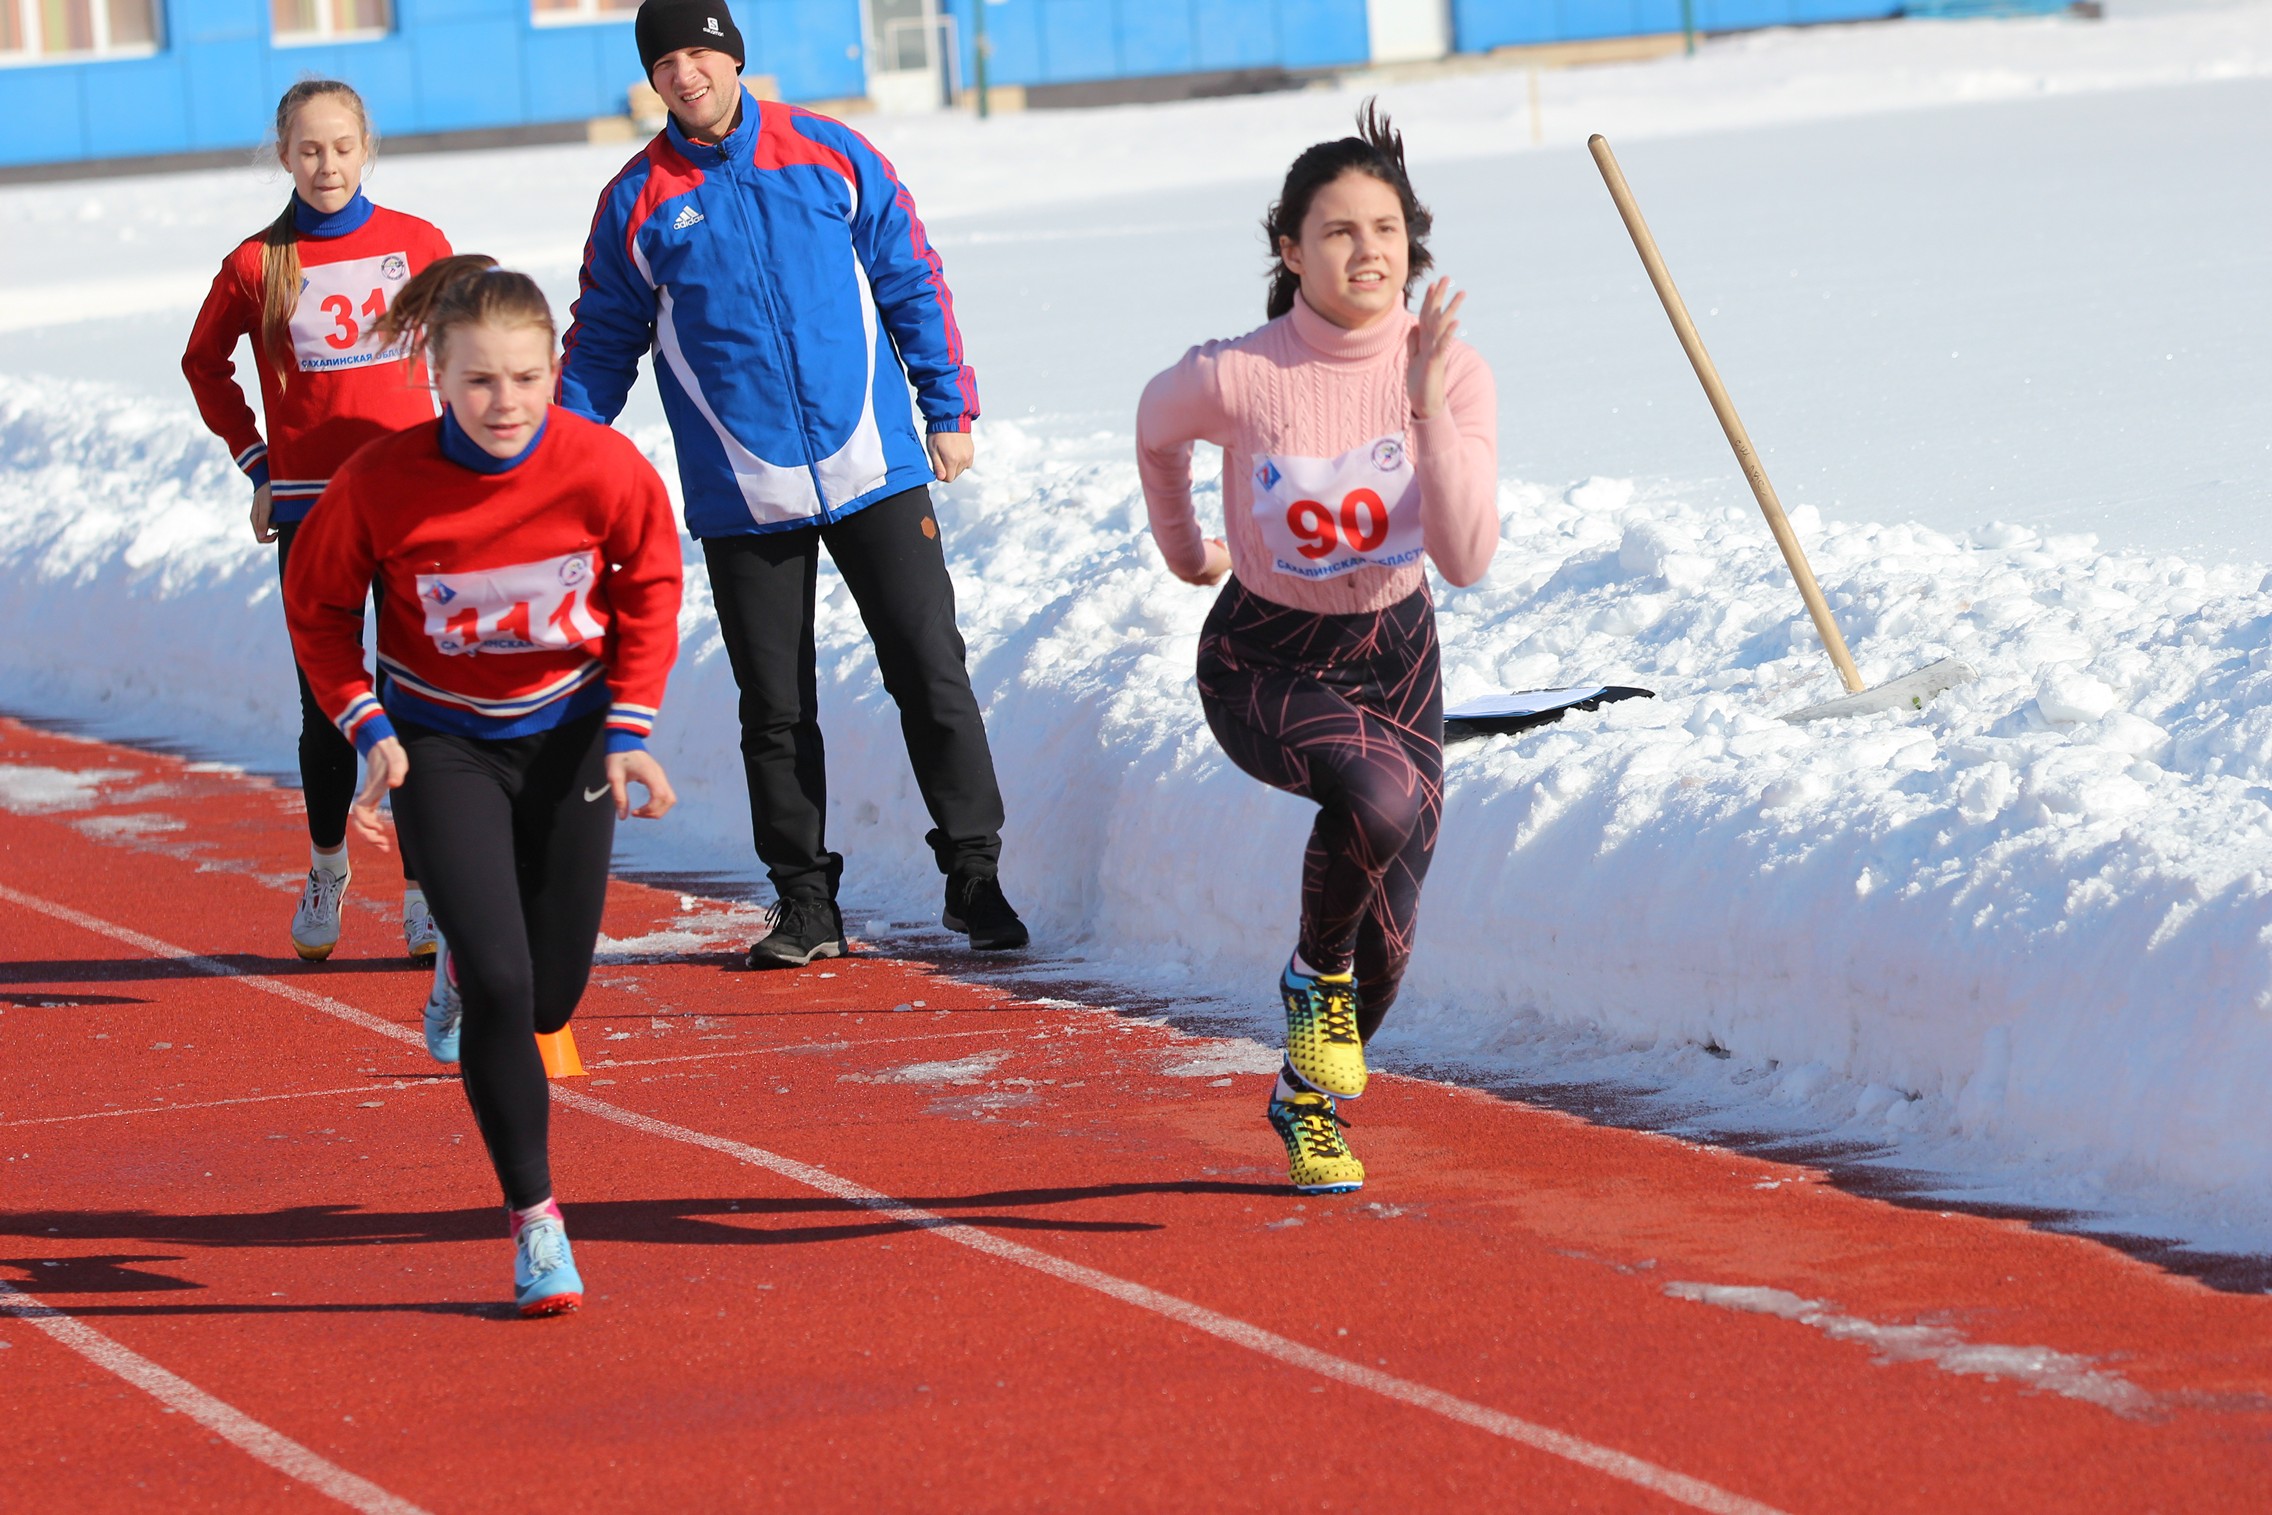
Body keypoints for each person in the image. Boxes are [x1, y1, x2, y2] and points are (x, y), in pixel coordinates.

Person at [557, 0, 1027, 967]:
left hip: (875, 468)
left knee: (930, 670)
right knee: (773, 704)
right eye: (666, 62)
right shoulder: (637, 200)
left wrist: (947, 407)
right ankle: (805, 900)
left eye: (699, 53)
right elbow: (603, 339)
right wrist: (549, 460)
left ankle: (974, 876)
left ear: (733, 57)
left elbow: (910, 279)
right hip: (744, 491)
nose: (685, 75)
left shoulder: (830, 152)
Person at [284, 256, 683, 1316]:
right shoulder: (382, 480)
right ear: (436, 378)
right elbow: (319, 612)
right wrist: (366, 723)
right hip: (440, 746)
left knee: (550, 995)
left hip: (569, 741)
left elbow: (650, 587)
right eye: (478, 382)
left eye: (524, 379)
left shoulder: (604, 470)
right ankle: (536, 1221)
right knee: (506, 992)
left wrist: (631, 724)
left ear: (554, 369)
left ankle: (471, 959)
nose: (503, 403)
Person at [1135, 106, 1499, 1196]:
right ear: (1289, 249)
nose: (1368, 252)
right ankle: (1309, 979)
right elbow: (1155, 430)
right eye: (1337, 231)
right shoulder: (1239, 374)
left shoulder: (1453, 370)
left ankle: (1306, 1100)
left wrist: (1427, 406)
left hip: (1397, 650)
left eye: (1385, 228)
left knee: (1390, 931)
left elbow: (1468, 559)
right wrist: (1185, 547)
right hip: (1266, 658)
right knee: (1381, 801)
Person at [181, 79, 453, 965]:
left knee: (418, 699)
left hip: (412, 505)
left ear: (366, 146)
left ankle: (423, 890)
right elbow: (203, 364)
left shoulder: (420, 245)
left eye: (341, 146)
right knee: (328, 705)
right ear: (285, 154)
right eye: (308, 150)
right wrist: (256, 460)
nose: (326, 164)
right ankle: (328, 866)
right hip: (313, 514)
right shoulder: (256, 264)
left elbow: (464, 354)